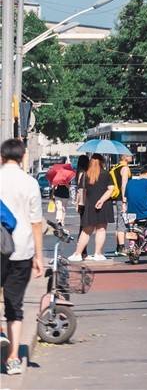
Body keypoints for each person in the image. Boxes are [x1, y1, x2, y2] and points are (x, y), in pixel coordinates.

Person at [0, 139, 45, 376]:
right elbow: (36, 223)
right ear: (22, 157)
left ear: (0, 157)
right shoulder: (30, 183)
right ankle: (14, 358)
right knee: (14, 306)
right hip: (21, 250)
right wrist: (39, 256)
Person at [69, 156, 114, 262]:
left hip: (89, 205)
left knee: (86, 231)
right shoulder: (106, 174)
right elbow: (111, 189)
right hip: (104, 205)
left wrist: (78, 205)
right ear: (101, 163)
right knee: (101, 229)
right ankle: (98, 253)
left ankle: (78, 253)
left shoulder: (85, 174)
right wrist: (102, 200)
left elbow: (81, 191)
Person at [123, 166, 147, 256]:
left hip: (131, 213)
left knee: (130, 227)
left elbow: (125, 197)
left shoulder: (130, 182)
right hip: (145, 213)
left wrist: (124, 205)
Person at [111, 154, 132, 256]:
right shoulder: (125, 168)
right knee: (122, 222)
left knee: (119, 222)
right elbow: (124, 185)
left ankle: (118, 246)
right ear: (126, 157)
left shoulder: (115, 167)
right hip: (122, 198)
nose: (132, 156)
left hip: (117, 197)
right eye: (130, 155)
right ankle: (121, 247)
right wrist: (124, 201)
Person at [46, 157, 76, 225]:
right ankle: (59, 220)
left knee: (63, 209)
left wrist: (65, 183)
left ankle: (62, 220)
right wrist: (52, 195)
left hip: (65, 195)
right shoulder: (56, 178)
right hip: (58, 195)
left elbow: (68, 187)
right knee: (59, 208)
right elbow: (53, 187)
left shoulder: (67, 179)